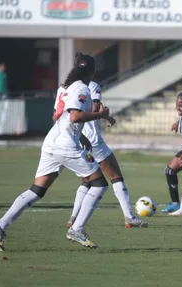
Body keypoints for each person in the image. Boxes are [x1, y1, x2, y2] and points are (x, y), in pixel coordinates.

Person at [0, 53, 110, 251]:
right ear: (92, 72)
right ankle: (77, 228)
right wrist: (100, 115)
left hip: (52, 142)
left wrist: (83, 137)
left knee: (37, 190)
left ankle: (0, 225)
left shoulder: (65, 88)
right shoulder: (81, 88)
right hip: (65, 145)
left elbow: (60, 117)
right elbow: (75, 117)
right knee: (99, 184)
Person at [54, 71, 148, 229]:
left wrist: (106, 117)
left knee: (87, 180)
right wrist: (103, 114)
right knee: (115, 176)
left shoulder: (64, 88)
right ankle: (129, 217)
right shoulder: (91, 85)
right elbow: (96, 107)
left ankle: (72, 218)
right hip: (92, 139)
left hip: (73, 138)